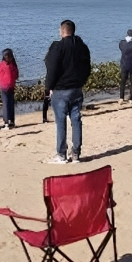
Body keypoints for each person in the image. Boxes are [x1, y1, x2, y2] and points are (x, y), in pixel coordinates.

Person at [44, 20, 92, 164]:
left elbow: (51, 68)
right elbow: (87, 68)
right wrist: (81, 81)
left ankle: (61, 154)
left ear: (62, 30)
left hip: (61, 89)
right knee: (76, 120)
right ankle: (76, 153)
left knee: (61, 122)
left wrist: (48, 88)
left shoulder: (58, 47)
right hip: (76, 88)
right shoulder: (82, 47)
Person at [0, 49, 19, 129]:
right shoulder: (13, 65)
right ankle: (11, 121)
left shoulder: (2, 65)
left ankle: (6, 122)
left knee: (6, 104)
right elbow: (16, 76)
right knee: (10, 103)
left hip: (5, 87)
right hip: (10, 86)